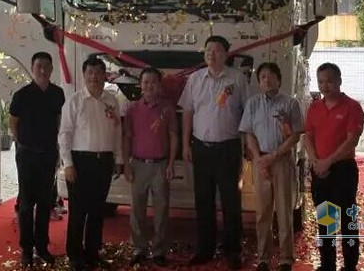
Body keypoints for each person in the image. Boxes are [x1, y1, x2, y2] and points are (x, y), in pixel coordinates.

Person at [177, 35, 250, 270]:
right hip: (201, 148)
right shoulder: (195, 79)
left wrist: (247, 145)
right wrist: (186, 145)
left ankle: (233, 250)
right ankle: (204, 249)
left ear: (226, 54)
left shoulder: (237, 79)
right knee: (203, 200)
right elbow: (188, 112)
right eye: (208, 49)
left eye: (217, 49)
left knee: (231, 202)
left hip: (229, 148)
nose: (211, 53)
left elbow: (247, 113)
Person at [58, 56, 124, 271]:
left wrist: (119, 159)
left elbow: (117, 131)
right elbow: (64, 134)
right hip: (80, 162)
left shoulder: (111, 100)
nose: (94, 77)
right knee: (78, 212)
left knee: (97, 211)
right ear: (84, 75)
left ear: (105, 75)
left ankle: (93, 254)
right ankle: (75, 255)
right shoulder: (75, 101)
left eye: (98, 72)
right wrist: (68, 164)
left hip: (104, 161)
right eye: (90, 72)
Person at [239, 62, 303, 271]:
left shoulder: (290, 104)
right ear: (259, 81)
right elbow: (248, 134)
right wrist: (259, 158)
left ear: (279, 79)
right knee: (263, 213)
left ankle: (285, 259)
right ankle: (263, 258)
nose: (266, 80)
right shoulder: (253, 103)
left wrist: (274, 156)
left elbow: (295, 135)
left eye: (270, 76)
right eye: (262, 77)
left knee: (284, 212)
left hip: (282, 161)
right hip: (260, 163)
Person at [303, 63, 364, 271]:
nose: (325, 85)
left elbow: (351, 140)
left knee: (347, 219)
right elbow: (308, 136)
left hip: (343, 169)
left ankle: (349, 265)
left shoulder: (352, 107)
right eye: (320, 81)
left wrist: (327, 162)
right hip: (320, 170)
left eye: (329, 81)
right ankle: (327, 264)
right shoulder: (314, 108)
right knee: (325, 219)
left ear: (339, 81)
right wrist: (315, 161)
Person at [9, 52, 65, 268]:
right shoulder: (22, 95)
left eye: (46, 66)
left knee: (44, 203)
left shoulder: (57, 94)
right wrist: (21, 143)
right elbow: (13, 122)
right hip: (27, 155)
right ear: (32, 68)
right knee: (26, 204)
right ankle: (26, 249)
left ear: (51, 69)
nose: (43, 70)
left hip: (48, 154)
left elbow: (60, 121)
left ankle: (42, 247)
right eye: (39, 66)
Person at [123, 67, 178, 267]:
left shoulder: (168, 108)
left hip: (160, 165)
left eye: (153, 82)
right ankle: (139, 248)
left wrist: (171, 163)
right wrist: (126, 165)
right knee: (137, 210)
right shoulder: (132, 109)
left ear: (159, 85)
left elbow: (173, 136)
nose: (149, 86)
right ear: (140, 85)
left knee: (161, 210)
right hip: (138, 164)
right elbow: (127, 138)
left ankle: (159, 250)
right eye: (145, 82)